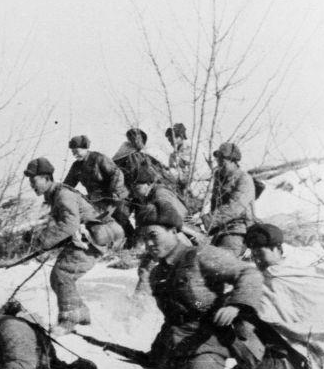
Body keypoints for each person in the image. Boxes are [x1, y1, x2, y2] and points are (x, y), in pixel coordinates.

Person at [138, 200, 263, 369]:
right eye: (144, 239)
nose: (148, 244)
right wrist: (156, 353)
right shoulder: (157, 274)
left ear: (173, 231)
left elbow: (248, 273)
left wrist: (236, 305)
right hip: (175, 355)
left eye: (153, 236)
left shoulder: (200, 255)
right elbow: (173, 319)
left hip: (205, 351)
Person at [220, 223, 324, 369]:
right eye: (253, 254)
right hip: (264, 359)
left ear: (277, 248)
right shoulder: (261, 279)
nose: (257, 259)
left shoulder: (295, 276)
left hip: (286, 361)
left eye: (261, 253)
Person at [24, 157, 123, 336]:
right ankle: (81, 314)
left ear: (46, 178)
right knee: (59, 276)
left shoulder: (63, 195)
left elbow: (69, 225)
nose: (32, 185)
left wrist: (42, 241)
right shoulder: (56, 195)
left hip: (94, 239)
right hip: (89, 238)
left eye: (34, 180)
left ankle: (69, 319)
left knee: (62, 274)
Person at [129, 165, 201, 295]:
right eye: (132, 188)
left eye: (137, 187)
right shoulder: (151, 195)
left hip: (183, 233)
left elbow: (176, 220)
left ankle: (141, 299)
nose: (134, 192)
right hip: (177, 232)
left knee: (151, 265)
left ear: (148, 184)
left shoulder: (159, 195)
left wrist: (194, 235)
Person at [62, 135, 132, 245]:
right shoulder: (76, 166)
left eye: (76, 151)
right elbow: (68, 184)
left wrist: (114, 192)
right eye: (72, 152)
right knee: (98, 220)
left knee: (120, 219)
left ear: (85, 148)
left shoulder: (98, 158)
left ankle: (131, 244)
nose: (74, 154)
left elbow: (117, 174)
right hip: (98, 199)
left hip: (116, 195)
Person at [202, 142, 256, 257]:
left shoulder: (244, 179)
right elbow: (214, 204)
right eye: (218, 162)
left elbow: (234, 208)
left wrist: (206, 220)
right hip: (220, 229)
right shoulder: (220, 177)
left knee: (220, 260)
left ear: (233, 161)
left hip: (238, 230)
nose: (220, 166)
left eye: (223, 162)